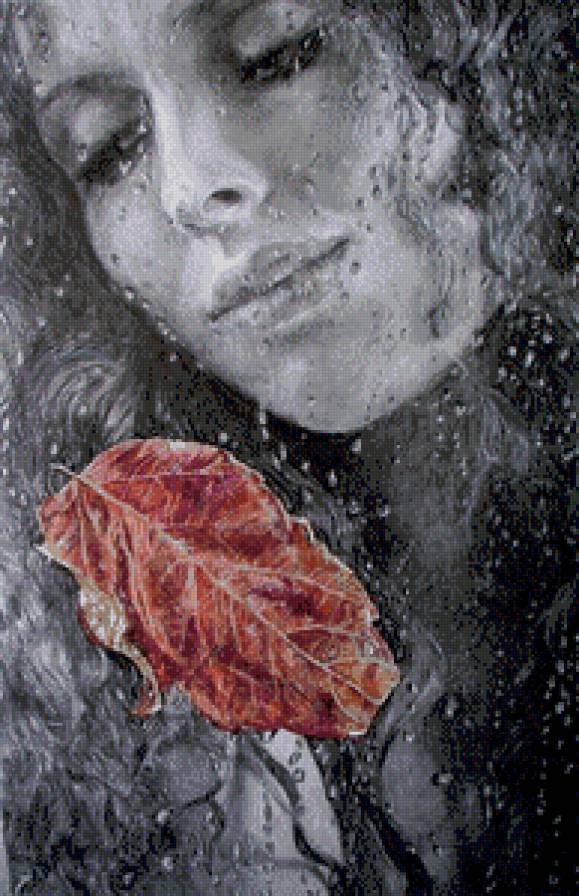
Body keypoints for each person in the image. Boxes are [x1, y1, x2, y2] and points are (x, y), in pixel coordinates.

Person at [0, 1, 574, 894]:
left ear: (464, 45)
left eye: (276, 52)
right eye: (108, 148)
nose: (189, 187)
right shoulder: (133, 702)